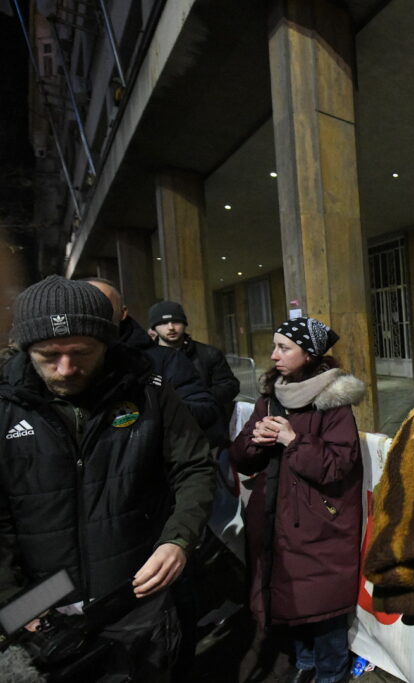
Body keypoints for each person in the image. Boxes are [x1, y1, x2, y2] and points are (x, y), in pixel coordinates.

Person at [0, 275, 217, 680]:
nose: (66, 369)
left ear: (107, 342)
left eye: (81, 352)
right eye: (49, 355)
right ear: (26, 349)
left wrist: (179, 539)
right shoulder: (5, 405)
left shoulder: (149, 389)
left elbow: (194, 467)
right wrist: (17, 605)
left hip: (135, 592)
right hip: (40, 608)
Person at [230, 316, 365, 683]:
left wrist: (294, 440)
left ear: (309, 354)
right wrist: (254, 441)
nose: (274, 355)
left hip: (319, 525)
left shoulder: (334, 403)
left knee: (321, 610)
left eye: (283, 348)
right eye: (275, 346)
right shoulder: (271, 399)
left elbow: (338, 465)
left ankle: (331, 673)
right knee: (291, 600)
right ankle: (304, 666)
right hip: (276, 520)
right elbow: (240, 459)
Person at [83, 278, 222, 441]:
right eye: (82, 304)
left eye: (102, 303)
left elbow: (205, 410)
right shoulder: (61, 363)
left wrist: (147, 410)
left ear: (122, 312)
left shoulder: (165, 360)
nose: (92, 311)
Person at [149, 300, 240, 443]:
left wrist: (200, 398)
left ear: (185, 324)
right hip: (165, 434)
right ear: (154, 327)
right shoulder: (147, 358)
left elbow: (230, 385)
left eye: (176, 322)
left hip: (207, 431)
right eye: (163, 323)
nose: (171, 327)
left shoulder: (209, 354)